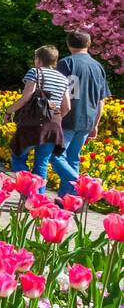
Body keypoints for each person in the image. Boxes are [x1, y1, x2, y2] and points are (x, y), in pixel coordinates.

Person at [51, 31, 111, 198]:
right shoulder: (98, 67)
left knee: (55, 157)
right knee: (73, 159)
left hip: (68, 118)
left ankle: (79, 183)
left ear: (68, 44)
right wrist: (96, 124)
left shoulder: (65, 63)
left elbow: (58, 92)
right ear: (89, 44)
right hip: (88, 119)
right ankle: (68, 198)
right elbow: (101, 99)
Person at [5, 45, 71, 191]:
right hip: (53, 126)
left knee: (18, 157)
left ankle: (27, 188)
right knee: (41, 164)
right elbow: (67, 107)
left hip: (32, 125)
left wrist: (9, 111)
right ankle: (38, 200)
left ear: (38, 59)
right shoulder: (63, 79)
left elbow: (26, 97)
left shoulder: (35, 72)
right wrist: (54, 118)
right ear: (54, 60)